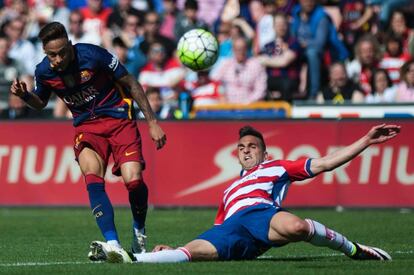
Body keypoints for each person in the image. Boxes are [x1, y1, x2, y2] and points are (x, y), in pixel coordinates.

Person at [94, 124, 399, 264]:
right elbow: (218, 228)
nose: (246, 150)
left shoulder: (277, 167)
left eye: (253, 146)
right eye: (242, 147)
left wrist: (366, 140)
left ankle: (355, 250)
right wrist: (176, 246)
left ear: (265, 153)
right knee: (194, 253)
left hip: (262, 215)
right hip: (231, 227)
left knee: (297, 227)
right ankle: (132, 258)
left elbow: (327, 162)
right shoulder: (228, 189)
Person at [9, 22, 166, 259]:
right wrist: (24, 95)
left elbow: (130, 82)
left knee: (133, 181)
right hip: (87, 127)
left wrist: (152, 121)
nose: (58, 59)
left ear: (70, 46)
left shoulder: (93, 55)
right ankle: (112, 243)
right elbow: (40, 102)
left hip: (119, 120)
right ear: (45, 53)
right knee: (92, 176)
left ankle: (139, 232)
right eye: (52, 54)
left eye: (62, 52)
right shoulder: (44, 71)